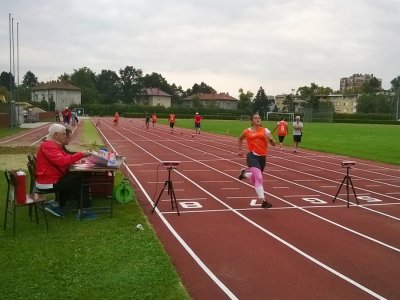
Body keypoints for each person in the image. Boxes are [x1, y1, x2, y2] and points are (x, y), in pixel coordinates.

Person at [35, 124, 95, 219]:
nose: (65, 136)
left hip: (51, 179)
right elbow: (61, 161)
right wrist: (81, 154)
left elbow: (65, 157)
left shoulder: (53, 144)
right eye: (63, 134)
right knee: (78, 180)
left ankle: (58, 204)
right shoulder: (48, 145)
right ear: (55, 135)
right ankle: (84, 211)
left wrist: (78, 158)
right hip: (48, 182)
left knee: (76, 178)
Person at [238, 112, 275, 208]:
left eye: (259, 118)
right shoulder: (247, 131)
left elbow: (274, 144)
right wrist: (240, 150)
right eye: (255, 118)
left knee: (255, 178)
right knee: (259, 178)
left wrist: (271, 140)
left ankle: (244, 174)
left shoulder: (265, 130)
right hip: (252, 156)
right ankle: (264, 201)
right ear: (252, 121)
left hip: (262, 158)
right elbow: (240, 138)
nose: (258, 119)